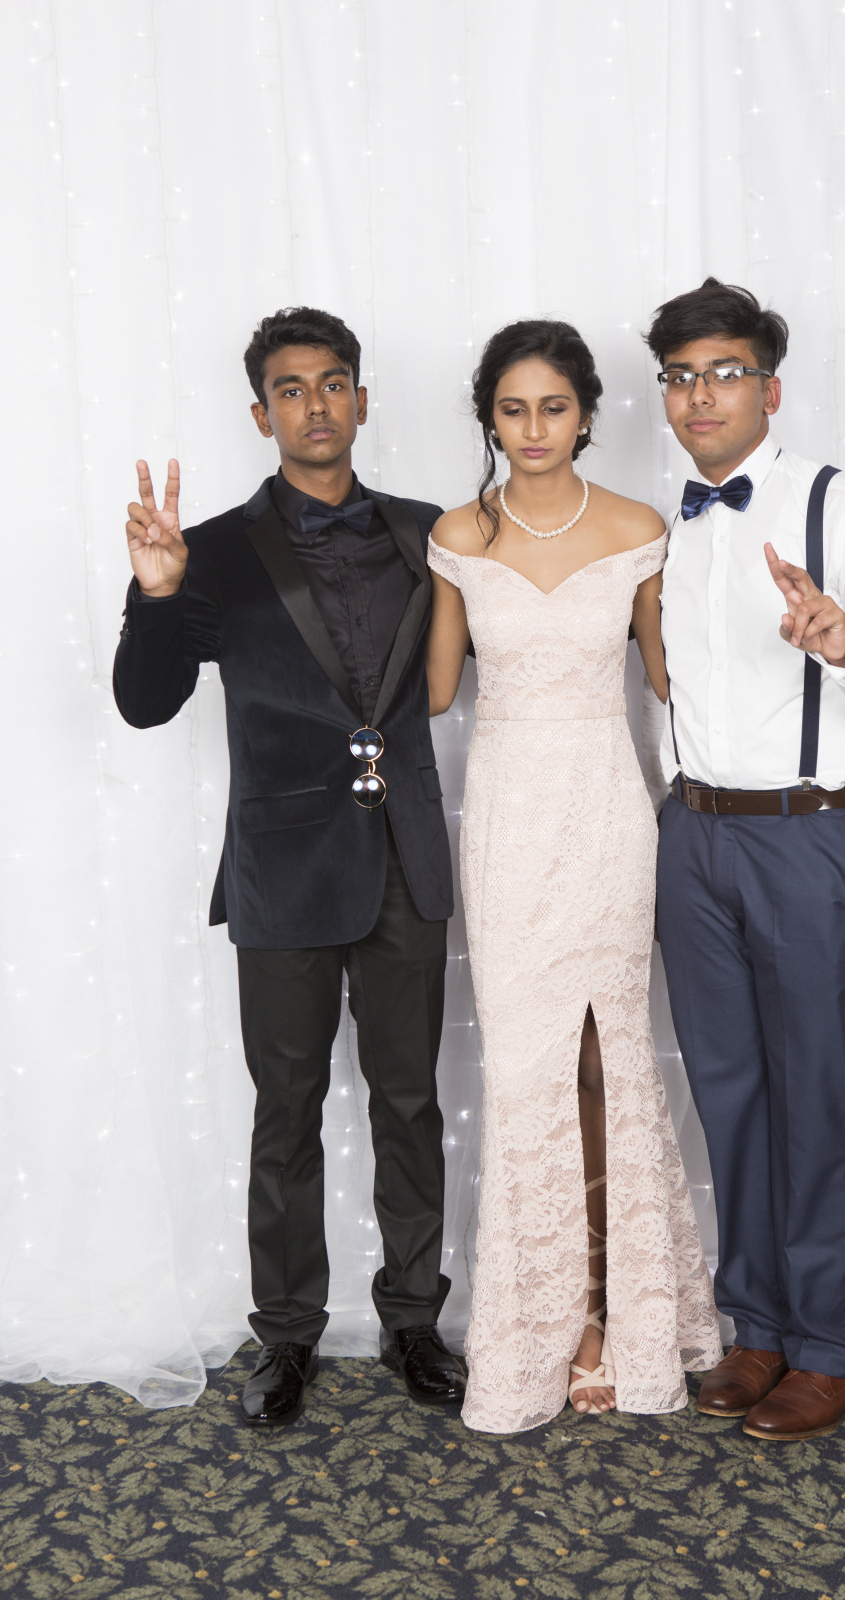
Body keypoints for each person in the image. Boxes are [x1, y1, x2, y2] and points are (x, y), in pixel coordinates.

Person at [113, 306, 466, 1426]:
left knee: (411, 1103)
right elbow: (144, 703)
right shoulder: (213, 550)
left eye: (333, 383)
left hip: (406, 860)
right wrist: (158, 593)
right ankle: (287, 1335)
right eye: (291, 389)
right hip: (281, 870)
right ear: (261, 414)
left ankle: (414, 1320)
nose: (316, 404)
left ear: (361, 398)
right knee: (287, 1112)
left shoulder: (434, 534)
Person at [647, 277, 845, 1441]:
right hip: (696, 836)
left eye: (724, 372)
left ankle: (832, 1343)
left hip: (813, 835)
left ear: (768, 390)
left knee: (814, 1091)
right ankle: (760, 1325)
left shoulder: (844, 508)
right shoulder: (673, 527)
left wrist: (844, 641)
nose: (700, 395)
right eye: (681, 376)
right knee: (728, 1091)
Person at [425, 319, 721, 1434]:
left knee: (608, 1062)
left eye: (554, 406)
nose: (534, 427)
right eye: (513, 409)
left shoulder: (639, 529)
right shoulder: (456, 535)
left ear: (587, 414)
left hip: (605, 810)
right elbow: (433, 693)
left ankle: (613, 1319)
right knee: (524, 1069)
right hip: (507, 817)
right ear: (490, 420)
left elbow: (673, 678)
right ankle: (541, 1325)